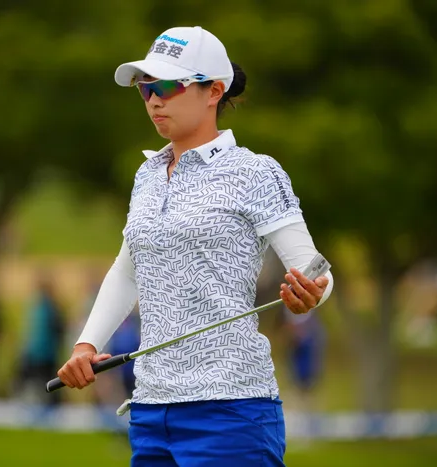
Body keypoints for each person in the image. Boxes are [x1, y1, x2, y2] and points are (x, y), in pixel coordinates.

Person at [56, 26, 335, 466]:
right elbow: (128, 271)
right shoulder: (147, 175)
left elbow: (316, 271)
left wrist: (312, 295)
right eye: (145, 88)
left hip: (231, 411)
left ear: (214, 91)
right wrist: (86, 346)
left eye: (167, 86)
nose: (153, 100)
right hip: (151, 411)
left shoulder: (255, 172)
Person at [14, 271, 66, 406]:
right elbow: (60, 332)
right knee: (49, 388)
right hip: (46, 357)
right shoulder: (52, 307)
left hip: (33, 356)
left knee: (29, 387)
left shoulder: (35, 306)